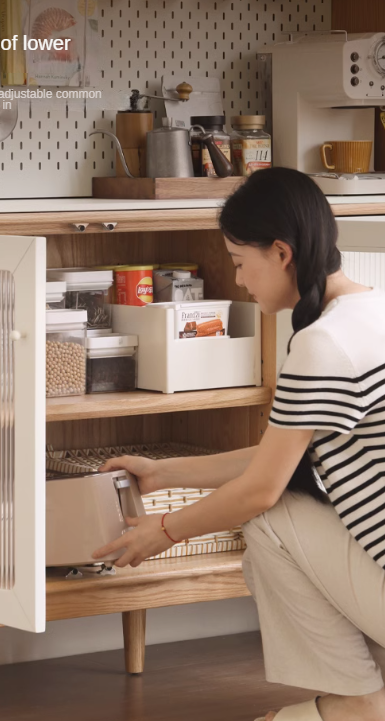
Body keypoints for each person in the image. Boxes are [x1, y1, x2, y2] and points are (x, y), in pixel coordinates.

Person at [93, 167, 385, 721]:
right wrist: (165, 473)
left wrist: (163, 531)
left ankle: (357, 703)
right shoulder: (373, 311)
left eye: (238, 262)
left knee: (269, 520)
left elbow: (261, 489)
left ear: (281, 253)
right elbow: (285, 453)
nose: (240, 280)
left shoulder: (326, 345)